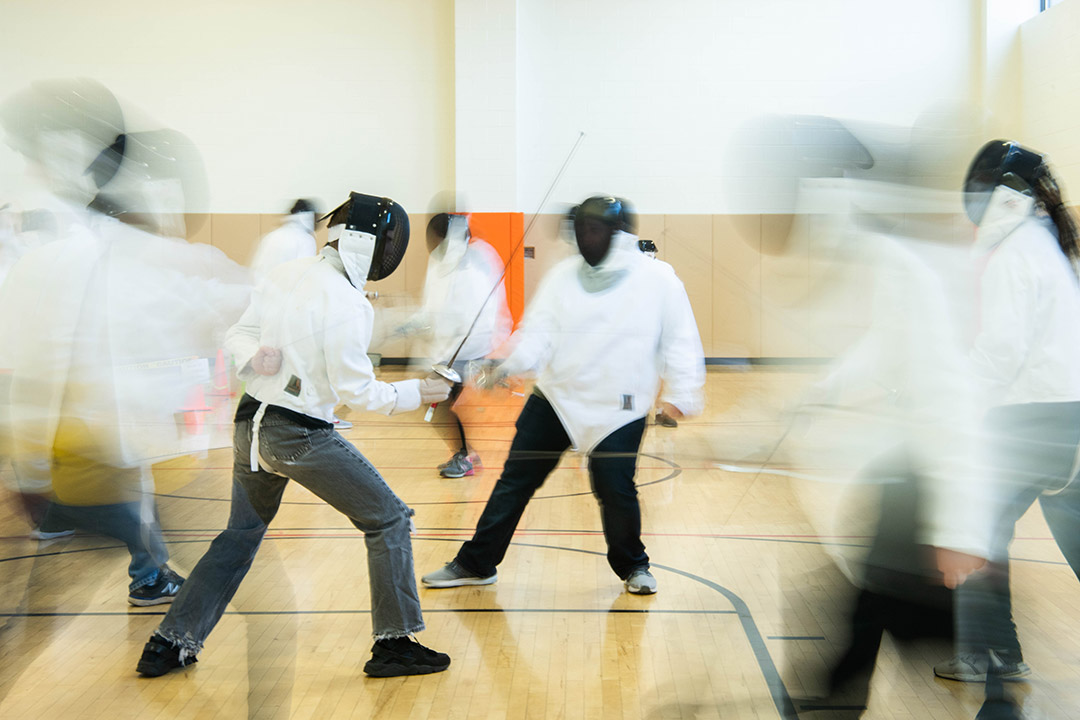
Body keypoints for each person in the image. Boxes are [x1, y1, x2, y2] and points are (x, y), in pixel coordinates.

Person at [136, 192, 453, 678]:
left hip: (248, 429)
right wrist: (420, 391)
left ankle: (169, 642)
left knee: (239, 537)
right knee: (388, 518)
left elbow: (239, 331)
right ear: (370, 244)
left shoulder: (287, 274)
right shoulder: (347, 300)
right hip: (297, 437)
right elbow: (358, 392)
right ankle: (395, 643)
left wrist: (250, 357)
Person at [421, 196, 705, 595]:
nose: (585, 239)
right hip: (557, 399)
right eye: (581, 230)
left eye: (595, 230)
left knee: (615, 489)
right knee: (514, 481)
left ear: (616, 233)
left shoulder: (658, 280)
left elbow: (681, 338)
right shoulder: (563, 276)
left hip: (618, 408)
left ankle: (633, 567)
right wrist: (508, 364)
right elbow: (537, 333)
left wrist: (684, 389)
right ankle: (476, 562)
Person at [933, 140, 1080, 685]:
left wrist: (956, 397)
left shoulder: (1017, 253)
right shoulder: (1048, 246)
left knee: (974, 530)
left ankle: (988, 654)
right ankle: (1000, 651)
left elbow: (1002, 350)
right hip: (1068, 421)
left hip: (1028, 422)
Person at [401, 213, 511, 477]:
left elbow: (482, 314)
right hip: (445, 352)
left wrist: (485, 354)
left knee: (440, 403)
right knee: (436, 405)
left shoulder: (477, 261)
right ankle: (465, 454)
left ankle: (465, 456)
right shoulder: (440, 264)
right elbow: (433, 307)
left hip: (469, 349)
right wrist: (411, 323)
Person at [250, 199, 319, 284]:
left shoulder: (271, 236)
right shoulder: (305, 240)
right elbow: (304, 274)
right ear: (309, 217)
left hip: (261, 292)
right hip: (287, 294)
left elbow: (256, 271)